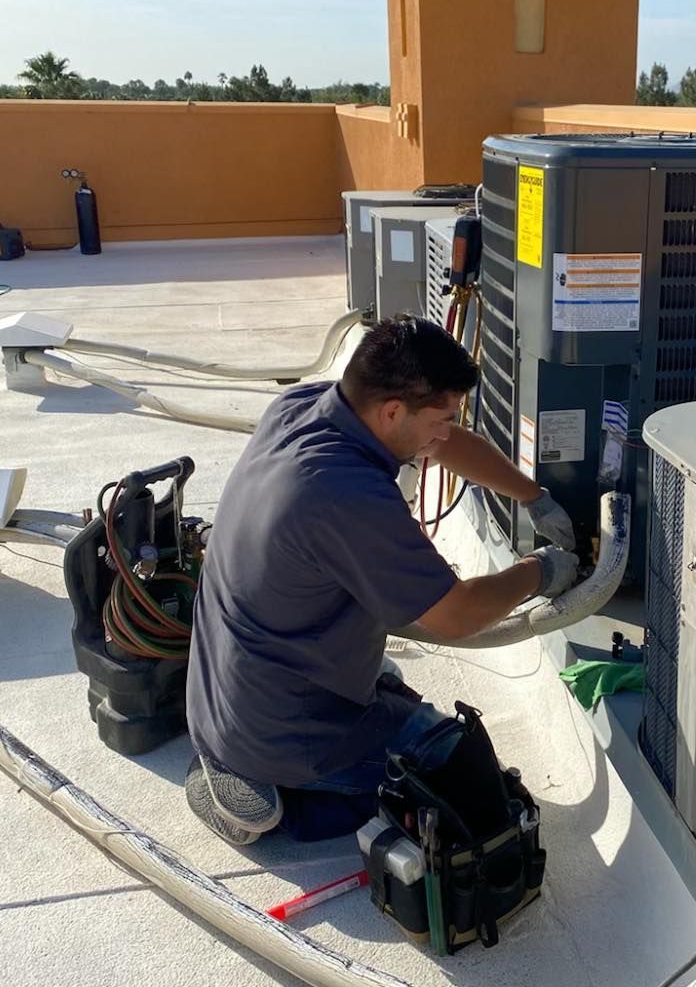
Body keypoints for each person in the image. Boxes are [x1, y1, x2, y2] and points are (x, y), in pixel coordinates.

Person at [184, 315, 579, 845]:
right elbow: (456, 614)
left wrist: (533, 496)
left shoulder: (303, 408)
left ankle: (238, 752)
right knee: (454, 771)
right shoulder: (343, 493)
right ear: (392, 411)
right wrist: (541, 570)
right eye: (441, 416)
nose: (445, 430)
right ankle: (273, 801)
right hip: (283, 730)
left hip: (228, 687)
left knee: (393, 691)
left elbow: (443, 442)